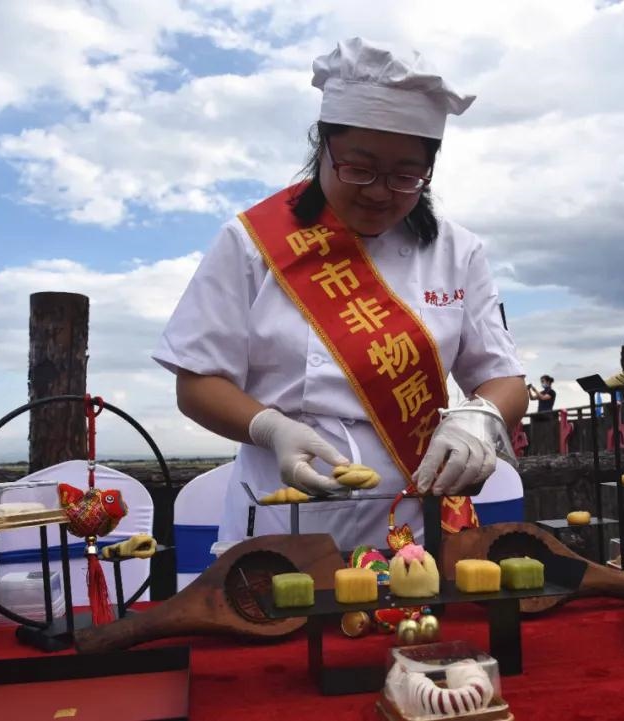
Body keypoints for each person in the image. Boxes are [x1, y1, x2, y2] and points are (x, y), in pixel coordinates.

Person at [153, 38, 527, 551]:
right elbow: (196, 383)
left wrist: (478, 421)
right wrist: (270, 429)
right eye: (358, 168)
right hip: (285, 512)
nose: (378, 191)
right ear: (322, 148)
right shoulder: (253, 243)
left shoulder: (456, 251)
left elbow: (504, 379)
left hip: (417, 522)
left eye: (405, 176)